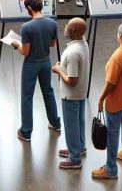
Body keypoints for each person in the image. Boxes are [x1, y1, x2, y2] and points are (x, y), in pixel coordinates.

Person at [92, 22, 122, 180]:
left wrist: (101, 98)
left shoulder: (118, 55)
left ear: (120, 36)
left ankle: (111, 169)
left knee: (112, 133)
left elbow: (111, 83)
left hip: (117, 101)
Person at [11, 0, 61, 142]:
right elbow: (53, 44)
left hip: (31, 64)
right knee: (48, 91)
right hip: (45, 62)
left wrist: (17, 44)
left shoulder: (26, 27)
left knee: (27, 96)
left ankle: (26, 131)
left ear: (30, 8)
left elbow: (25, 52)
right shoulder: (52, 23)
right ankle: (55, 123)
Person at [52, 18, 89, 170]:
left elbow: (72, 80)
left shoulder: (73, 53)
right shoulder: (83, 43)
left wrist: (58, 69)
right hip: (81, 92)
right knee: (79, 122)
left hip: (71, 95)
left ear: (73, 31)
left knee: (71, 126)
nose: (65, 27)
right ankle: (79, 147)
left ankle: (74, 159)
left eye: (68, 26)